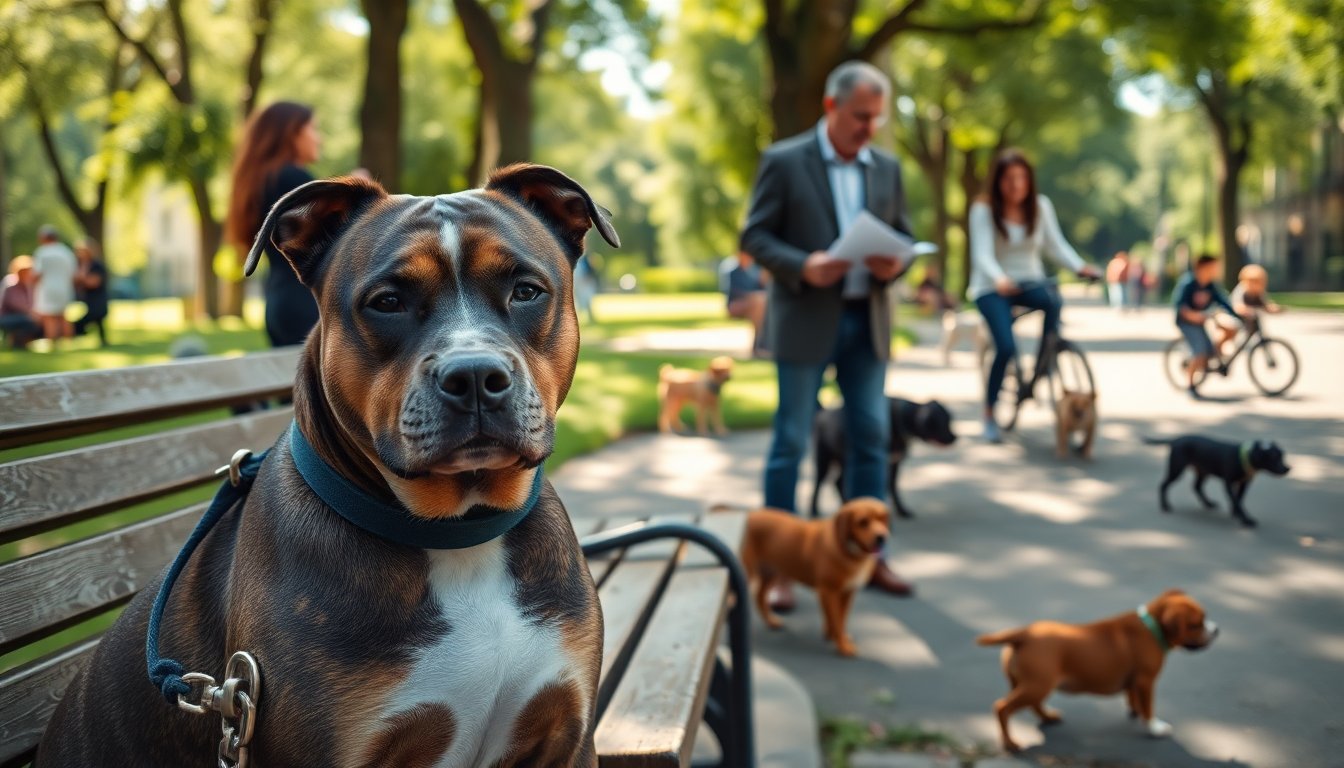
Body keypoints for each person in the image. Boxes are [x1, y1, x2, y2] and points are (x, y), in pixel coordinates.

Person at [741, 60, 916, 601]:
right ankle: (779, 569)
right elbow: (756, 235)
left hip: (869, 322)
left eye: (876, 119)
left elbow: (905, 238)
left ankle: (870, 560)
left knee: (872, 437)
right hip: (805, 318)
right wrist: (803, 265)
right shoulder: (784, 160)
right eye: (861, 116)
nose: (870, 127)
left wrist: (898, 264)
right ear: (832, 106)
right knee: (791, 440)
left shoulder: (887, 169)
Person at [968, 149, 1101, 443]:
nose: (1016, 185)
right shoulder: (983, 209)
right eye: (1009, 179)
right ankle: (989, 413)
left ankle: (1045, 360)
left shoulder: (1040, 207)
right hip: (991, 287)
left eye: (1021, 178)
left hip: (1029, 281)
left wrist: (1080, 266)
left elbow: (1056, 245)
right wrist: (999, 278)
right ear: (997, 182)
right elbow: (981, 254)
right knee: (1004, 347)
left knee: (1053, 299)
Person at [225, 101, 323, 347]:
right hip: (305, 304)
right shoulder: (293, 179)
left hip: (279, 301)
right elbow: (333, 240)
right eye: (312, 129)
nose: (318, 139)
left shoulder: (264, 180)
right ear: (292, 133)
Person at [1172, 254, 1236, 399]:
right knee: (1199, 352)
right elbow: (1180, 306)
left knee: (1211, 348)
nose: (1216, 271)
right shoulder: (1188, 283)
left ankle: (1214, 357)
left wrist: (1237, 315)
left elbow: (1223, 302)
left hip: (1201, 321)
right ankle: (1190, 385)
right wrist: (1192, 315)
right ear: (1203, 268)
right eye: (1214, 268)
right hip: (1186, 322)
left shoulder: (1210, 285)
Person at [1215, 263, 1282, 355]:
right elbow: (1236, 305)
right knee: (1232, 330)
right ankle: (1218, 348)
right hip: (1231, 316)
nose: (1258, 286)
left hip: (1248, 320)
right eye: (1255, 282)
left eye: (1260, 283)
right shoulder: (1241, 291)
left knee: (1254, 330)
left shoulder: (1259, 293)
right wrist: (1246, 309)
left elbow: (1265, 304)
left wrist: (1273, 308)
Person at [31, 224, 77, 342]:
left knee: (49, 316)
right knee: (63, 315)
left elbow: (37, 274)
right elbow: (73, 273)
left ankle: (52, 340)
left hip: (47, 288)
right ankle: (68, 340)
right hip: (64, 288)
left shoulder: (42, 252)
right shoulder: (66, 252)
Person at [719, 250, 769, 358]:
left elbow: (762, 288)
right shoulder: (733, 271)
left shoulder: (754, 271)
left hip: (755, 304)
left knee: (762, 304)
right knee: (759, 301)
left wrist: (763, 281)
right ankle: (759, 345)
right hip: (736, 304)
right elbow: (736, 291)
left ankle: (761, 344)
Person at [72, 237, 110, 346]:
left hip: (98, 299)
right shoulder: (80, 265)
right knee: (97, 322)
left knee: (94, 319)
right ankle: (101, 340)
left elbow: (93, 282)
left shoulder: (96, 266)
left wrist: (82, 278)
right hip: (89, 299)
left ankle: (81, 333)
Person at [0, 255, 41, 349]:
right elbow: (15, 303)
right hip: (5, 317)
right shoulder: (11, 282)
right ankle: (17, 344)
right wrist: (32, 313)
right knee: (30, 322)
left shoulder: (27, 284)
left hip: (19, 316)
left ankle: (19, 343)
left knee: (34, 321)